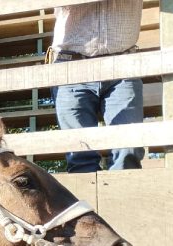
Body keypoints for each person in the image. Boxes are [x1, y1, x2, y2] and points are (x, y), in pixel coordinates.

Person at [51, 0, 145, 172]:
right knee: (79, 155)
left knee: (128, 151)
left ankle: (123, 198)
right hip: (70, 65)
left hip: (123, 63)